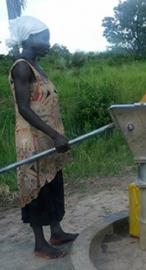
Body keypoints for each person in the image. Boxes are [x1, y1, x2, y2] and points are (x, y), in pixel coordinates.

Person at [7, 16, 78, 259]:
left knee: (52, 184)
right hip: (34, 141)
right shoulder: (22, 67)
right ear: (30, 38)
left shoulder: (35, 65)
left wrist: (56, 135)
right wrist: (54, 134)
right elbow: (24, 108)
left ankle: (56, 232)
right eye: (45, 37)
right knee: (36, 188)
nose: (49, 42)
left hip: (49, 138)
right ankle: (40, 243)